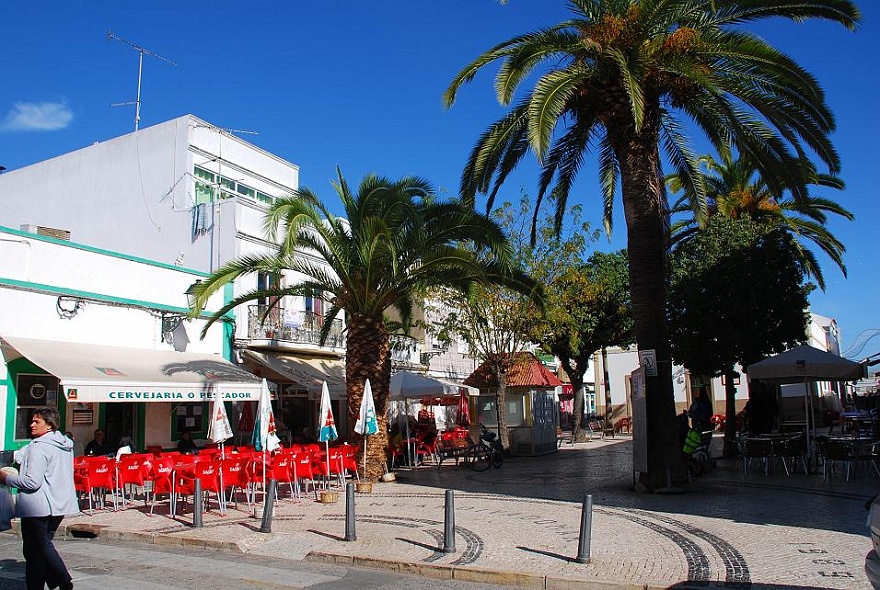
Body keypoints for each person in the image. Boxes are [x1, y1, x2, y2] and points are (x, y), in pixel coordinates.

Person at [0, 407, 78, 590]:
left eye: (37, 421)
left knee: (39, 547)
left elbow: (31, 482)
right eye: (32, 420)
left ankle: (62, 579)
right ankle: (40, 584)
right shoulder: (65, 444)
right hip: (59, 503)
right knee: (36, 549)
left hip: (37, 506)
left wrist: (6, 478)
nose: (31, 424)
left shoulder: (39, 447)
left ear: (49, 425)